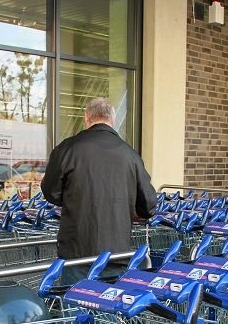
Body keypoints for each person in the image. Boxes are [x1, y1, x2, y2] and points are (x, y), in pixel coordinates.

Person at [41, 97, 158, 283]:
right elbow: (149, 205)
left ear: (87, 117)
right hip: (117, 251)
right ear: (112, 120)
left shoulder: (67, 149)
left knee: (74, 298)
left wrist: (74, 199)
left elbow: (51, 192)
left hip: (76, 250)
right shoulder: (130, 155)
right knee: (109, 299)